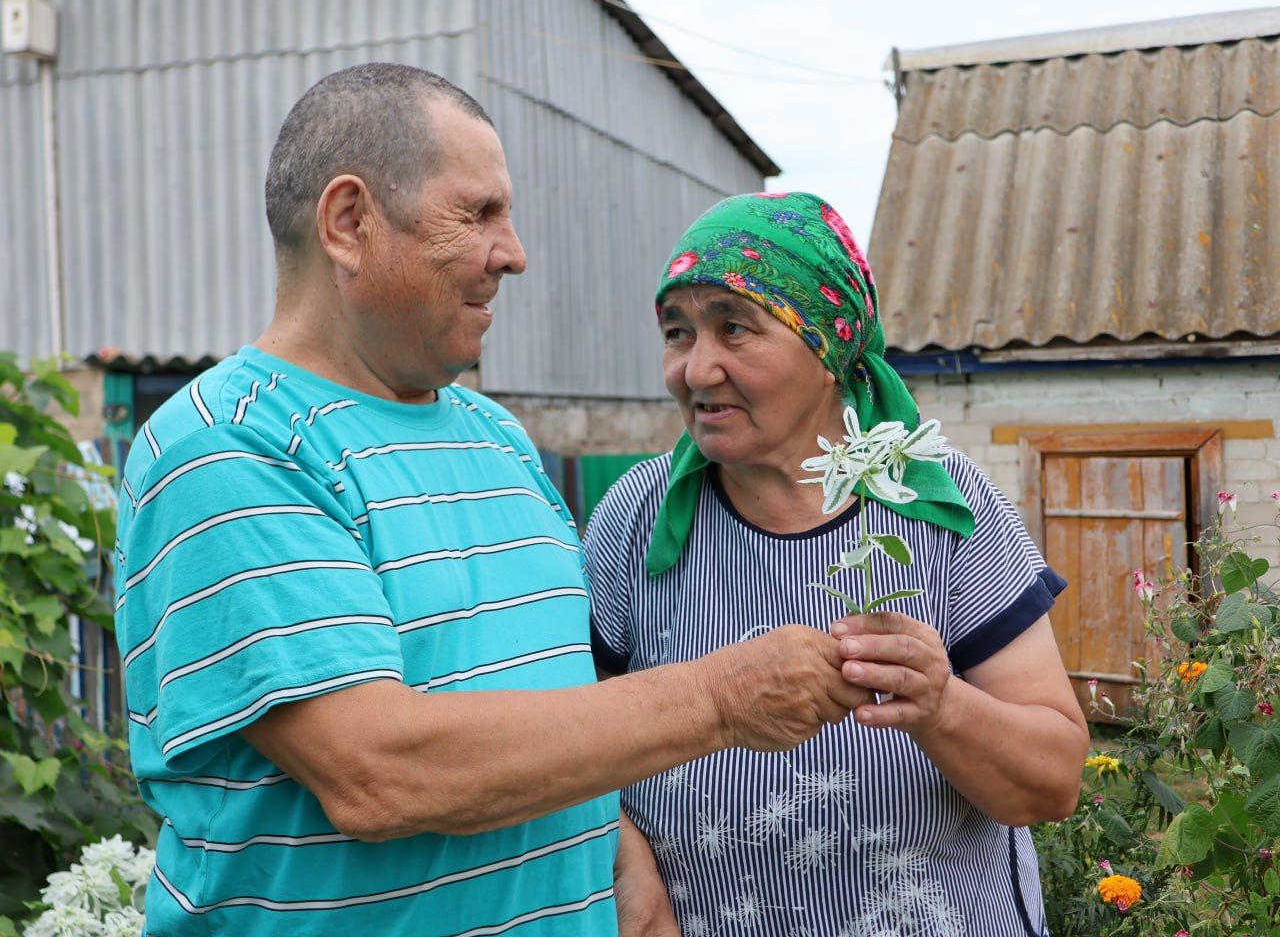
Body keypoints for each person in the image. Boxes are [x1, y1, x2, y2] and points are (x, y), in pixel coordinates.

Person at [112, 66, 872, 937]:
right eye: (477, 214)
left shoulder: (496, 438)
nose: (513, 251)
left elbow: (544, 700)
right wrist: (722, 699)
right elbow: (380, 771)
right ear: (350, 223)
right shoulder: (232, 447)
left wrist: (617, 859)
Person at [584, 191, 1091, 936]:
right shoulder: (637, 515)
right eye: (678, 332)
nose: (696, 369)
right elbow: (571, 740)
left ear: (829, 348)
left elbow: (1052, 783)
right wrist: (630, 866)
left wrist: (942, 706)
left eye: (734, 328)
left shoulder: (942, 505)